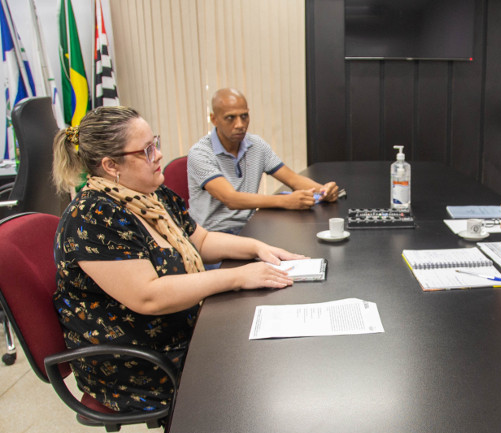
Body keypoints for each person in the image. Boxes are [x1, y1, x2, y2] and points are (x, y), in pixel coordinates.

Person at [52, 106, 306, 412]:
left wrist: (257, 248)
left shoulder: (149, 196)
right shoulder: (93, 217)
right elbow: (149, 297)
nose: (158, 155)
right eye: (146, 151)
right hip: (135, 363)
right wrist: (238, 276)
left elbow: (201, 240)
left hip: (177, 334)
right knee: (262, 366)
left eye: (155, 143)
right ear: (110, 165)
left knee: (275, 347)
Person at [188, 88, 339, 234]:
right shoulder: (200, 153)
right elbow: (230, 199)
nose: (240, 124)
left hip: (250, 227)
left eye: (244, 116)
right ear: (214, 119)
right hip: (212, 235)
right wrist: (286, 201)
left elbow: (292, 179)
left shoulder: (256, 145)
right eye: (230, 118)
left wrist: (324, 190)